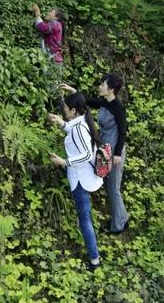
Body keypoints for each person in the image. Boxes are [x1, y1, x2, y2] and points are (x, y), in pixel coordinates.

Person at [60, 74, 129, 233]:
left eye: (103, 84)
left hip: (113, 153)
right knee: (109, 186)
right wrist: (73, 91)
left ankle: (118, 226)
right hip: (104, 150)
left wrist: (117, 154)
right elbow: (87, 101)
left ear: (111, 89)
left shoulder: (118, 108)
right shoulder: (105, 102)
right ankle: (122, 218)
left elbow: (123, 132)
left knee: (113, 187)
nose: (100, 86)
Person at [48, 92, 103, 271]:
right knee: (85, 216)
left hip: (81, 178)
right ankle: (94, 253)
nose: (63, 111)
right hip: (84, 176)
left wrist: (64, 162)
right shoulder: (81, 122)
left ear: (73, 110)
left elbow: (86, 153)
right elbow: (73, 130)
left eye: (64, 109)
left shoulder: (79, 127)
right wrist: (61, 123)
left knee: (85, 218)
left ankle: (94, 260)